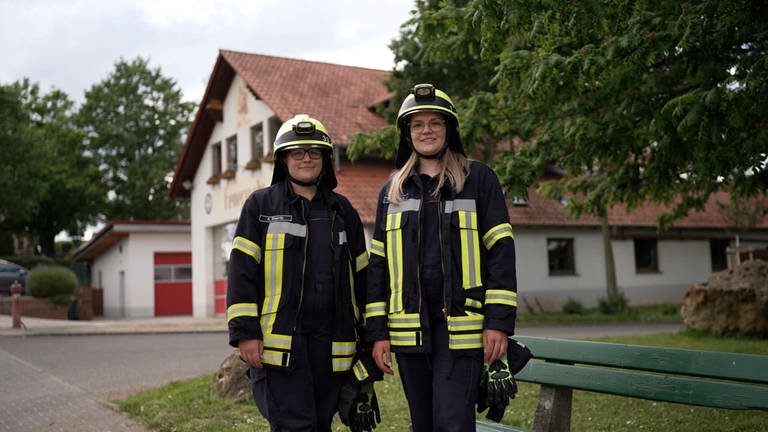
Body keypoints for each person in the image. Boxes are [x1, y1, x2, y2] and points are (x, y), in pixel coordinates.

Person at [365, 84, 519, 431]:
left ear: (449, 129)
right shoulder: (391, 192)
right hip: (408, 333)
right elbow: (378, 267)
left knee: (452, 422)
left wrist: (498, 322)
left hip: (462, 330)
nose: (426, 131)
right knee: (423, 423)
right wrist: (377, 333)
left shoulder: (478, 179)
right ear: (407, 134)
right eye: (417, 124)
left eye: (435, 122)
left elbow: (501, 252)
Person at [227, 114, 379, 432]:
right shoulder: (260, 207)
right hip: (279, 345)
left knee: (320, 423)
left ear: (325, 159)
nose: (306, 158)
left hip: (333, 345)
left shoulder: (344, 211)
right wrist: (246, 333)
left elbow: (364, 279)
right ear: (284, 159)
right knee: (293, 425)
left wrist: (372, 337)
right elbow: (242, 274)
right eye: (297, 152)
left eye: (313, 151)